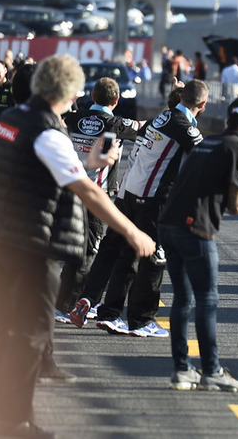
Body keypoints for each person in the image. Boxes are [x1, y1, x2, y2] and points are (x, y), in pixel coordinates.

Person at [0, 54, 155, 439]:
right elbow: (88, 191)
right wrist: (132, 232)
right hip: (27, 243)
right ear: (69, 91)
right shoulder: (45, 131)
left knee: (10, 334)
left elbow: (52, 167)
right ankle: (13, 423)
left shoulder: (9, 119)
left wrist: (91, 160)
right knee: (30, 334)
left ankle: (0, 421)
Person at [158, 97, 238, 392]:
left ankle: (181, 370)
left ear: (228, 121)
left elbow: (216, 186)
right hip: (195, 229)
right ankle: (212, 370)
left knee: (182, 299)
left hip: (168, 223)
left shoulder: (207, 142)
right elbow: (236, 205)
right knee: (207, 300)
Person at [87, 80, 207, 337]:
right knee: (153, 258)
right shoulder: (183, 126)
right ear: (203, 104)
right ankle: (141, 320)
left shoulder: (163, 117)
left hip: (129, 193)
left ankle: (109, 313)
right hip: (153, 200)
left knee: (125, 256)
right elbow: (206, 158)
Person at [57, 78, 145, 322]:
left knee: (70, 246)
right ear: (116, 101)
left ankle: (64, 300)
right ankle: (68, 304)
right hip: (96, 195)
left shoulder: (74, 118)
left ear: (92, 97)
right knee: (87, 250)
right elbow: (149, 128)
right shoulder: (116, 123)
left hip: (69, 189)